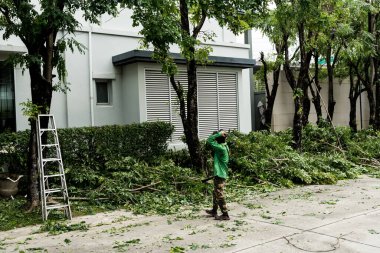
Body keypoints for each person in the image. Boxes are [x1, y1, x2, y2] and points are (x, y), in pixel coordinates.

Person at [205, 130, 230, 221]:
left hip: (220, 174)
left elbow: (209, 140)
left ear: (218, 140)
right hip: (219, 173)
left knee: (219, 194)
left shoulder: (221, 148)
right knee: (215, 192)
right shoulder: (224, 146)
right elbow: (213, 141)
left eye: (216, 138)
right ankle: (214, 210)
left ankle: (225, 214)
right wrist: (220, 135)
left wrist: (218, 134)